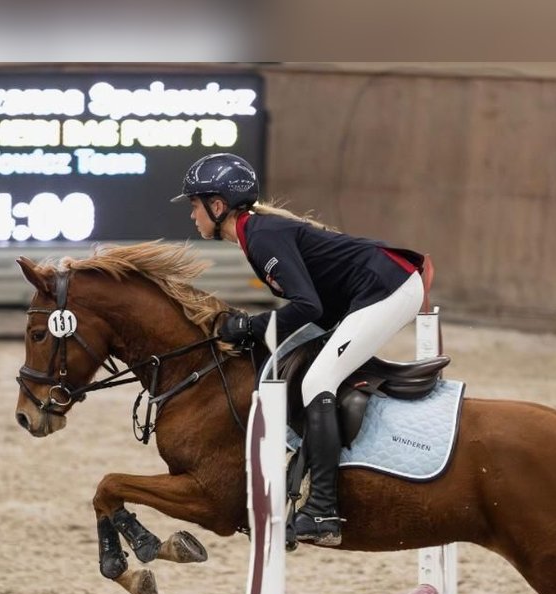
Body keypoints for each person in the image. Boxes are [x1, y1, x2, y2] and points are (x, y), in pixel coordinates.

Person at [172, 152, 427, 547]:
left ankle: (324, 509)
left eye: (195, 204)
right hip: (371, 290)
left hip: (388, 286)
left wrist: (252, 327)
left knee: (318, 381)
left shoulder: (260, 236)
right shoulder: (254, 234)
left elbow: (308, 307)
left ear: (217, 206)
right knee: (308, 366)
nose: (192, 214)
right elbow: (316, 305)